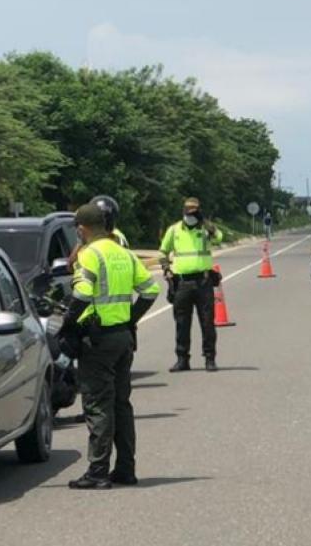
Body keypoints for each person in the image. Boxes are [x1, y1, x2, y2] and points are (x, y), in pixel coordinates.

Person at [59, 203, 160, 489]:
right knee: (121, 405)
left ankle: (98, 471)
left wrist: (68, 326)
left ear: (81, 229)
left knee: (97, 404)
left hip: (98, 340)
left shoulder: (90, 255)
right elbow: (150, 290)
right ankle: (125, 469)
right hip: (122, 339)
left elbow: (82, 293)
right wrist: (130, 319)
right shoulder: (123, 253)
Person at [159, 197, 224, 372]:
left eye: (194, 211)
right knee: (181, 322)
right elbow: (163, 251)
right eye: (187, 210)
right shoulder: (174, 230)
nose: (190, 214)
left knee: (207, 322)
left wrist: (205, 222)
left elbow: (219, 238)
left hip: (203, 281)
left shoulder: (205, 229)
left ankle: (210, 358)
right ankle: (182, 359)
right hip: (182, 282)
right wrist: (166, 268)